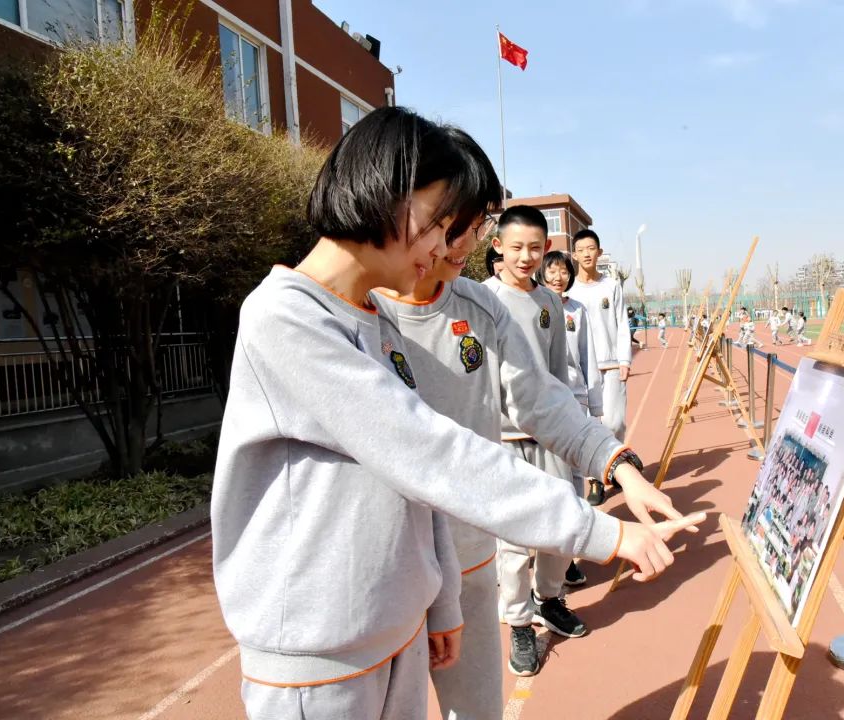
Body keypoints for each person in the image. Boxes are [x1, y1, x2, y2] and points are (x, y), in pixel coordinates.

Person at [211, 107, 703, 720]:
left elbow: (429, 480)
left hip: (396, 613)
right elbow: (429, 453)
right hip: (321, 642)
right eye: (442, 223)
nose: (450, 247)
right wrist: (605, 532)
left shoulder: (378, 321)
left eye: (461, 227)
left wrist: (440, 602)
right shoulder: (288, 317)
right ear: (388, 192)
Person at [484, 206, 607, 676]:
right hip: (504, 435)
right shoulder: (484, 299)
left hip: (550, 434)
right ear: (497, 246)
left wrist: (570, 421)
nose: (526, 256)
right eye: (516, 247)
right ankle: (518, 624)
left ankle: (549, 599)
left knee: (561, 523)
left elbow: (557, 373)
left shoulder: (551, 303)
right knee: (515, 538)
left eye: (535, 247)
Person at [540, 250, 607, 508]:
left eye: (564, 271)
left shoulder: (577, 310)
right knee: (553, 463)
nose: (558, 276)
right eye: (552, 270)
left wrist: (596, 405)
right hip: (546, 398)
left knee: (576, 461)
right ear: (543, 272)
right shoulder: (536, 306)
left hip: (575, 397)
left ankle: (581, 517)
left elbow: (587, 357)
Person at [570, 230, 632, 444]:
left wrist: (624, 360)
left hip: (612, 364)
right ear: (574, 255)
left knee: (615, 423)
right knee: (590, 427)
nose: (586, 254)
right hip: (582, 368)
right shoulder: (569, 290)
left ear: (599, 252)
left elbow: (623, 323)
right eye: (581, 250)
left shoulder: (612, 286)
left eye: (591, 249)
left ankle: (616, 466)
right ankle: (600, 473)